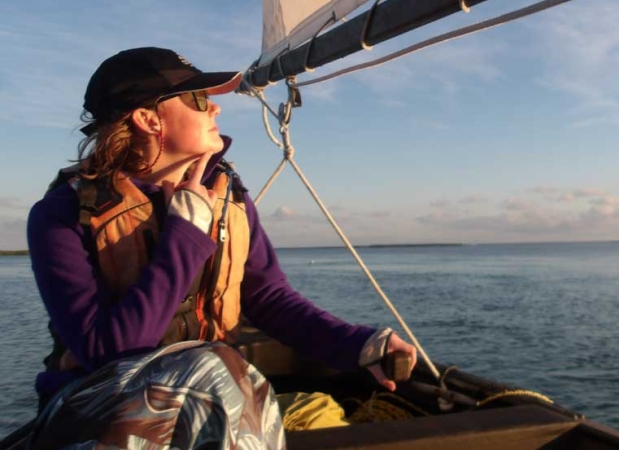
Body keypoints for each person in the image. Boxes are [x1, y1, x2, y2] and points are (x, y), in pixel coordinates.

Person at [26, 47, 416, 449]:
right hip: (94, 408)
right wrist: (186, 232)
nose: (215, 110)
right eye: (198, 99)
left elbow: (269, 298)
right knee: (211, 367)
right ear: (148, 119)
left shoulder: (230, 199)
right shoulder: (65, 214)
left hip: (215, 396)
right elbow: (107, 352)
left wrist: (359, 345)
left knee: (245, 383)